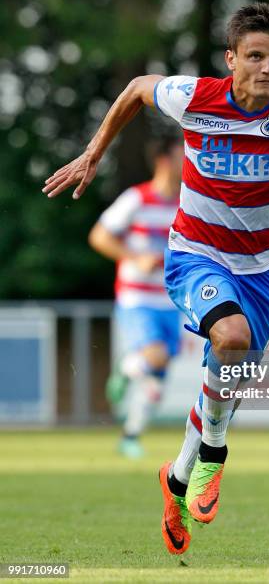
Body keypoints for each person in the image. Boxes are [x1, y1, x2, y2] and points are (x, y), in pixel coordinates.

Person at [43, 2, 269, 555]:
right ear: (231, 59)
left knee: (228, 380)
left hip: (262, 267)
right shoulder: (196, 98)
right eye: (255, 56)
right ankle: (213, 454)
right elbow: (138, 86)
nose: (267, 68)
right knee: (228, 339)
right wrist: (94, 152)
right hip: (196, 254)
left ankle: (178, 477)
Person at [88, 136, 182, 458]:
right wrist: (133, 257)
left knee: (156, 380)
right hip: (137, 298)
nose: (191, 161)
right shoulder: (137, 198)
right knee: (153, 357)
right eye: (184, 154)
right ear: (164, 160)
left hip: (171, 301)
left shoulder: (188, 204)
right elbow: (99, 236)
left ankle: (130, 435)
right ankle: (127, 365)